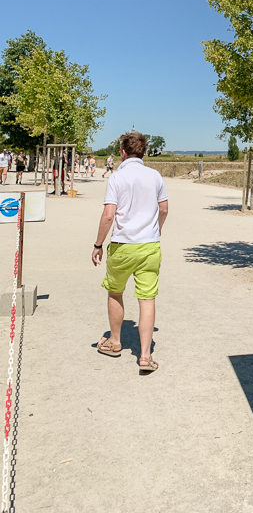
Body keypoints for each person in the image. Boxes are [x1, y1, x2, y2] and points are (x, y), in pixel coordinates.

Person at [93, 132, 168, 373]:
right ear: (143, 152)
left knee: (115, 292)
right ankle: (145, 356)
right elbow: (164, 209)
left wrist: (98, 244)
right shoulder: (155, 176)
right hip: (149, 246)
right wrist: (156, 230)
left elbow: (108, 214)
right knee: (147, 299)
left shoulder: (117, 177)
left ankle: (115, 342)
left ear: (123, 153)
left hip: (123, 245)